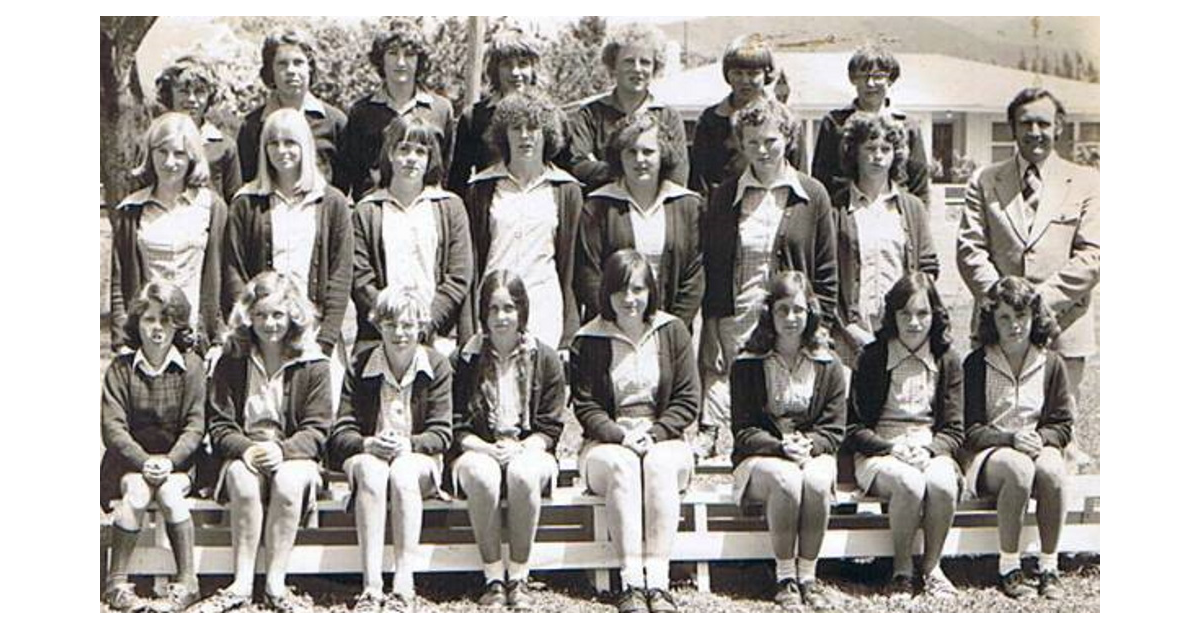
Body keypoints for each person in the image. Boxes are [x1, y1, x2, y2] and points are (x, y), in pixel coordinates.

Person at [698, 99, 837, 458]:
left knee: (785, 408)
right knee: (733, 412)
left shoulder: (812, 195)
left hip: (791, 320)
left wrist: (820, 327)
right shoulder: (726, 195)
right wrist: (712, 326)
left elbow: (826, 271)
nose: (762, 150)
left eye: (770, 140)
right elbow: (712, 267)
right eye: (752, 142)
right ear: (740, 144)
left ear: (788, 139)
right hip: (738, 316)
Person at [571, 250, 699, 613]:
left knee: (658, 465)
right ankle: (629, 582)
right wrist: (621, 437)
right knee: (622, 467)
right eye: (620, 290)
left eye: (638, 289)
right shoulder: (590, 338)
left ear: (651, 292)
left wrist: (656, 434)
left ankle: (657, 582)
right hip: (607, 441)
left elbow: (688, 400)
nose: (629, 299)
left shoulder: (672, 331)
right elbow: (586, 406)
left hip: (664, 438)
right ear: (607, 293)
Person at [197, 271, 332, 613]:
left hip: (293, 453)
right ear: (248, 316)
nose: (269, 324)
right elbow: (220, 423)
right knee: (242, 480)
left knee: (288, 482)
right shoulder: (232, 358)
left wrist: (281, 451)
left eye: (277, 315)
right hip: (246, 449)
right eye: (260, 315)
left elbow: (317, 430)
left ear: (293, 316)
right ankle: (241, 583)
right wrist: (246, 450)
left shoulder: (313, 362)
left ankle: (275, 584)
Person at [957, 87, 1100, 404]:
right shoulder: (985, 181)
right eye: (1025, 124)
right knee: (997, 427)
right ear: (1013, 127)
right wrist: (1005, 306)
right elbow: (970, 250)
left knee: (1059, 436)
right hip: (997, 327)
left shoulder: (1087, 182)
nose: (1035, 133)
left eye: (1044, 124)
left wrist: (1038, 304)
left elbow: (1093, 256)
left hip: (1064, 327)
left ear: (1058, 127)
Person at [326, 287, 454, 613]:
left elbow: (442, 433)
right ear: (378, 325)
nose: (400, 333)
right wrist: (367, 443)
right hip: (369, 457)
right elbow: (340, 432)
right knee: (372, 469)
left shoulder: (437, 366)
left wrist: (409, 444)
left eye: (408, 325)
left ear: (421, 327)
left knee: (403, 470)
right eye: (391, 324)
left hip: (417, 461)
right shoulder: (360, 363)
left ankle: (404, 583)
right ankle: (371, 586)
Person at [450, 270, 566, 610]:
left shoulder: (544, 357)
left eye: (509, 308)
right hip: (478, 446)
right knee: (483, 474)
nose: (501, 317)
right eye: (493, 309)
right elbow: (456, 426)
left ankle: (518, 576)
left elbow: (551, 427)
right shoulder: (465, 359)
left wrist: (520, 448)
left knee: (522, 473)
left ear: (522, 311)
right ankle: (493, 579)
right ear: (483, 314)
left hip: (528, 447)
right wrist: (486, 448)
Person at [729, 272, 844, 612]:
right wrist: (780, 448)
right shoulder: (748, 363)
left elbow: (835, 429)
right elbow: (744, 431)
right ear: (769, 313)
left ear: (810, 311)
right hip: (762, 456)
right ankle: (784, 577)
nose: (790, 318)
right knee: (787, 479)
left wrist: (810, 445)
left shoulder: (828, 363)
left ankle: (808, 575)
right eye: (782, 310)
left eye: (797, 309)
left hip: (812, 451)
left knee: (817, 479)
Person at [845, 273, 962, 599]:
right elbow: (853, 428)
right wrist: (890, 448)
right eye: (905, 313)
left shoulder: (948, 359)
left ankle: (932, 567)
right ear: (893, 315)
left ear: (935, 315)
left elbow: (954, 429)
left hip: (927, 447)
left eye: (922, 314)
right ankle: (901, 571)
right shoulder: (872, 357)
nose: (913, 323)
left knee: (941, 482)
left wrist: (931, 449)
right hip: (880, 451)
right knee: (909, 483)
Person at [958, 277, 1073, 601]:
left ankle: (1048, 566)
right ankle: (1009, 565)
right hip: (991, 454)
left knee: (1052, 470)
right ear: (992, 320)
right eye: (1005, 318)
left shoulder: (1051, 363)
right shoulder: (977, 363)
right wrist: (1010, 439)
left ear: (1034, 317)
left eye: (1021, 316)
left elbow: (1062, 424)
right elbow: (970, 430)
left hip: (1035, 444)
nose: (1014, 326)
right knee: (1020, 468)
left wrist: (1040, 437)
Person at [225, 108, 353, 396]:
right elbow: (234, 268)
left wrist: (326, 341)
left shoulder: (332, 202)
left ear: (305, 146)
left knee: (316, 419)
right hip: (264, 331)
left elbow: (340, 273)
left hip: (314, 333)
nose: (282, 151)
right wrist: (251, 324)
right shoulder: (246, 202)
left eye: (290, 142)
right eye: (274, 143)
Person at [101, 282, 206, 612]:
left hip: (180, 462)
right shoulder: (121, 369)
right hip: (129, 462)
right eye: (149, 320)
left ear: (179, 324)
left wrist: (171, 461)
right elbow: (112, 428)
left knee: (172, 494)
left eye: (166, 319)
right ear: (137, 323)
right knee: (136, 494)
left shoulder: (192, 367)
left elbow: (195, 425)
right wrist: (143, 461)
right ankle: (116, 583)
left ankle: (188, 582)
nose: (158, 328)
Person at [464, 90, 583, 353]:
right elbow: (472, 258)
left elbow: (571, 265)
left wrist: (569, 331)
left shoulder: (566, 190)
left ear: (547, 133)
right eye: (516, 128)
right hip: (493, 304)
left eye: (533, 127)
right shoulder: (481, 188)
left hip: (544, 304)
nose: (525, 135)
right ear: (504, 135)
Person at [351, 115, 473, 358]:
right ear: (389, 153)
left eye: (420, 151)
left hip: (437, 336)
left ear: (430, 159)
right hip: (382, 336)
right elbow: (361, 278)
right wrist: (392, 323)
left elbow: (458, 276)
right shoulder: (367, 210)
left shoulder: (450, 207)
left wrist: (425, 324)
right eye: (403, 149)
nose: (411, 158)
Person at [110, 112, 227, 365]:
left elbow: (224, 279)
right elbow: (119, 283)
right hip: (146, 341)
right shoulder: (132, 210)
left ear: (192, 157)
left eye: (180, 154)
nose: (170, 162)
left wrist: (219, 340)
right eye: (162, 152)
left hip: (196, 341)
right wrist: (122, 342)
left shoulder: (212, 207)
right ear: (150, 154)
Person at [577, 111, 704, 328]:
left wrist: (670, 327)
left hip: (670, 331)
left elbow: (694, 276)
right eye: (631, 152)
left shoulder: (688, 206)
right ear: (619, 156)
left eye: (648, 151)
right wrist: (619, 322)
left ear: (662, 154)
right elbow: (589, 275)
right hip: (610, 330)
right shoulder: (598, 206)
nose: (639, 160)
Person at [832, 112, 938, 367]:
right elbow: (826, 275)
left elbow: (927, 269)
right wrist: (848, 327)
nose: (878, 155)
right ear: (854, 152)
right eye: (869, 148)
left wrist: (909, 321)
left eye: (886, 148)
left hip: (901, 335)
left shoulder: (911, 208)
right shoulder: (835, 209)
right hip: (848, 335)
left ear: (896, 154)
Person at [562, 23, 689, 192]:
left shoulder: (669, 117)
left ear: (655, 67)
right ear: (613, 66)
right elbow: (578, 166)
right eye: (629, 61)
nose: (637, 69)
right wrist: (640, 170)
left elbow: (677, 176)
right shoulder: (590, 114)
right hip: (603, 209)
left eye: (645, 62)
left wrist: (604, 168)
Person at [337, 20, 456, 199]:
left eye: (409, 55)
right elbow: (353, 173)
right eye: (392, 54)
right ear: (381, 59)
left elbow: (446, 171)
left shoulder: (440, 109)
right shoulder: (362, 112)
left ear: (419, 60)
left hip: (424, 210)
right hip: (375, 211)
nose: (401, 62)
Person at [688, 34, 806, 198]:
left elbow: (800, 174)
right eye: (737, 73)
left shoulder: (786, 119)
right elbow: (699, 180)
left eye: (753, 73)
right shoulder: (710, 120)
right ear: (727, 74)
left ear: (766, 74)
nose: (744, 80)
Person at [811, 44, 930, 205]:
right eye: (863, 76)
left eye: (878, 76)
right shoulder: (834, 123)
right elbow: (821, 179)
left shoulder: (908, 126)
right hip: (845, 213)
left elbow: (919, 185)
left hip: (895, 210)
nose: (871, 83)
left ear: (890, 79)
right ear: (853, 79)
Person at [237, 29, 346, 188]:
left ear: (310, 67)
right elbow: (248, 180)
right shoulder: (253, 126)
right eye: (282, 64)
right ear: (270, 71)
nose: (291, 71)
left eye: (298, 62)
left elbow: (344, 184)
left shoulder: (335, 122)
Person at [447, 28, 542, 197]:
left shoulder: (548, 115)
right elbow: (458, 180)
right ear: (495, 69)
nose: (515, 73)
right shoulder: (474, 118)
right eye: (507, 65)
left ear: (533, 68)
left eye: (522, 64)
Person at [154, 55, 242, 202]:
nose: (191, 99)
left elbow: (234, 201)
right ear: (170, 94)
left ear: (210, 96)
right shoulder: (155, 140)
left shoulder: (224, 146)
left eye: (200, 92)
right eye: (183, 91)